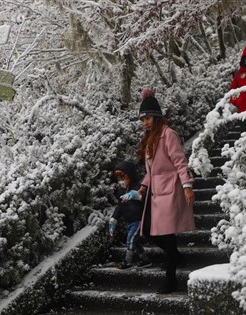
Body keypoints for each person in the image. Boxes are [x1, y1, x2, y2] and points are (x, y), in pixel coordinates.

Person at [132, 89, 195, 294]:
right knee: (148, 230)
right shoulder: (151, 139)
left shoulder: (169, 135)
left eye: (148, 118)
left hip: (170, 189)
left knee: (167, 236)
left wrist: (187, 186)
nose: (145, 123)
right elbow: (151, 171)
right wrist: (143, 185)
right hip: (155, 193)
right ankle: (175, 256)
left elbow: (180, 162)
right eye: (142, 120)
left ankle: (171, 279)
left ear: (157, 116)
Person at [109, 160, 152, 269]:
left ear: (130, 175)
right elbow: (120, 206)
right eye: (118, 177)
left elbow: (145, 198)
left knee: (131, 239)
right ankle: (145, 260)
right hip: (129, 221)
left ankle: (128, 261)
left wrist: (137, 195)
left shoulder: (138, 187)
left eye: (123, 176)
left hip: (138, 220)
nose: (121, 180)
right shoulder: (121, 191)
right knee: (135, 243)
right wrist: (114, 218)